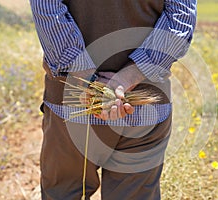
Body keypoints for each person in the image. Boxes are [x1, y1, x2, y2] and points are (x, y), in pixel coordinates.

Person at [30, 0, 197, 199]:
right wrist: (127, 78)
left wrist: (85, 76)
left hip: (72, 101)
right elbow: (181, 17)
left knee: (64, 193)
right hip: (144, 107)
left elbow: (47, 9)